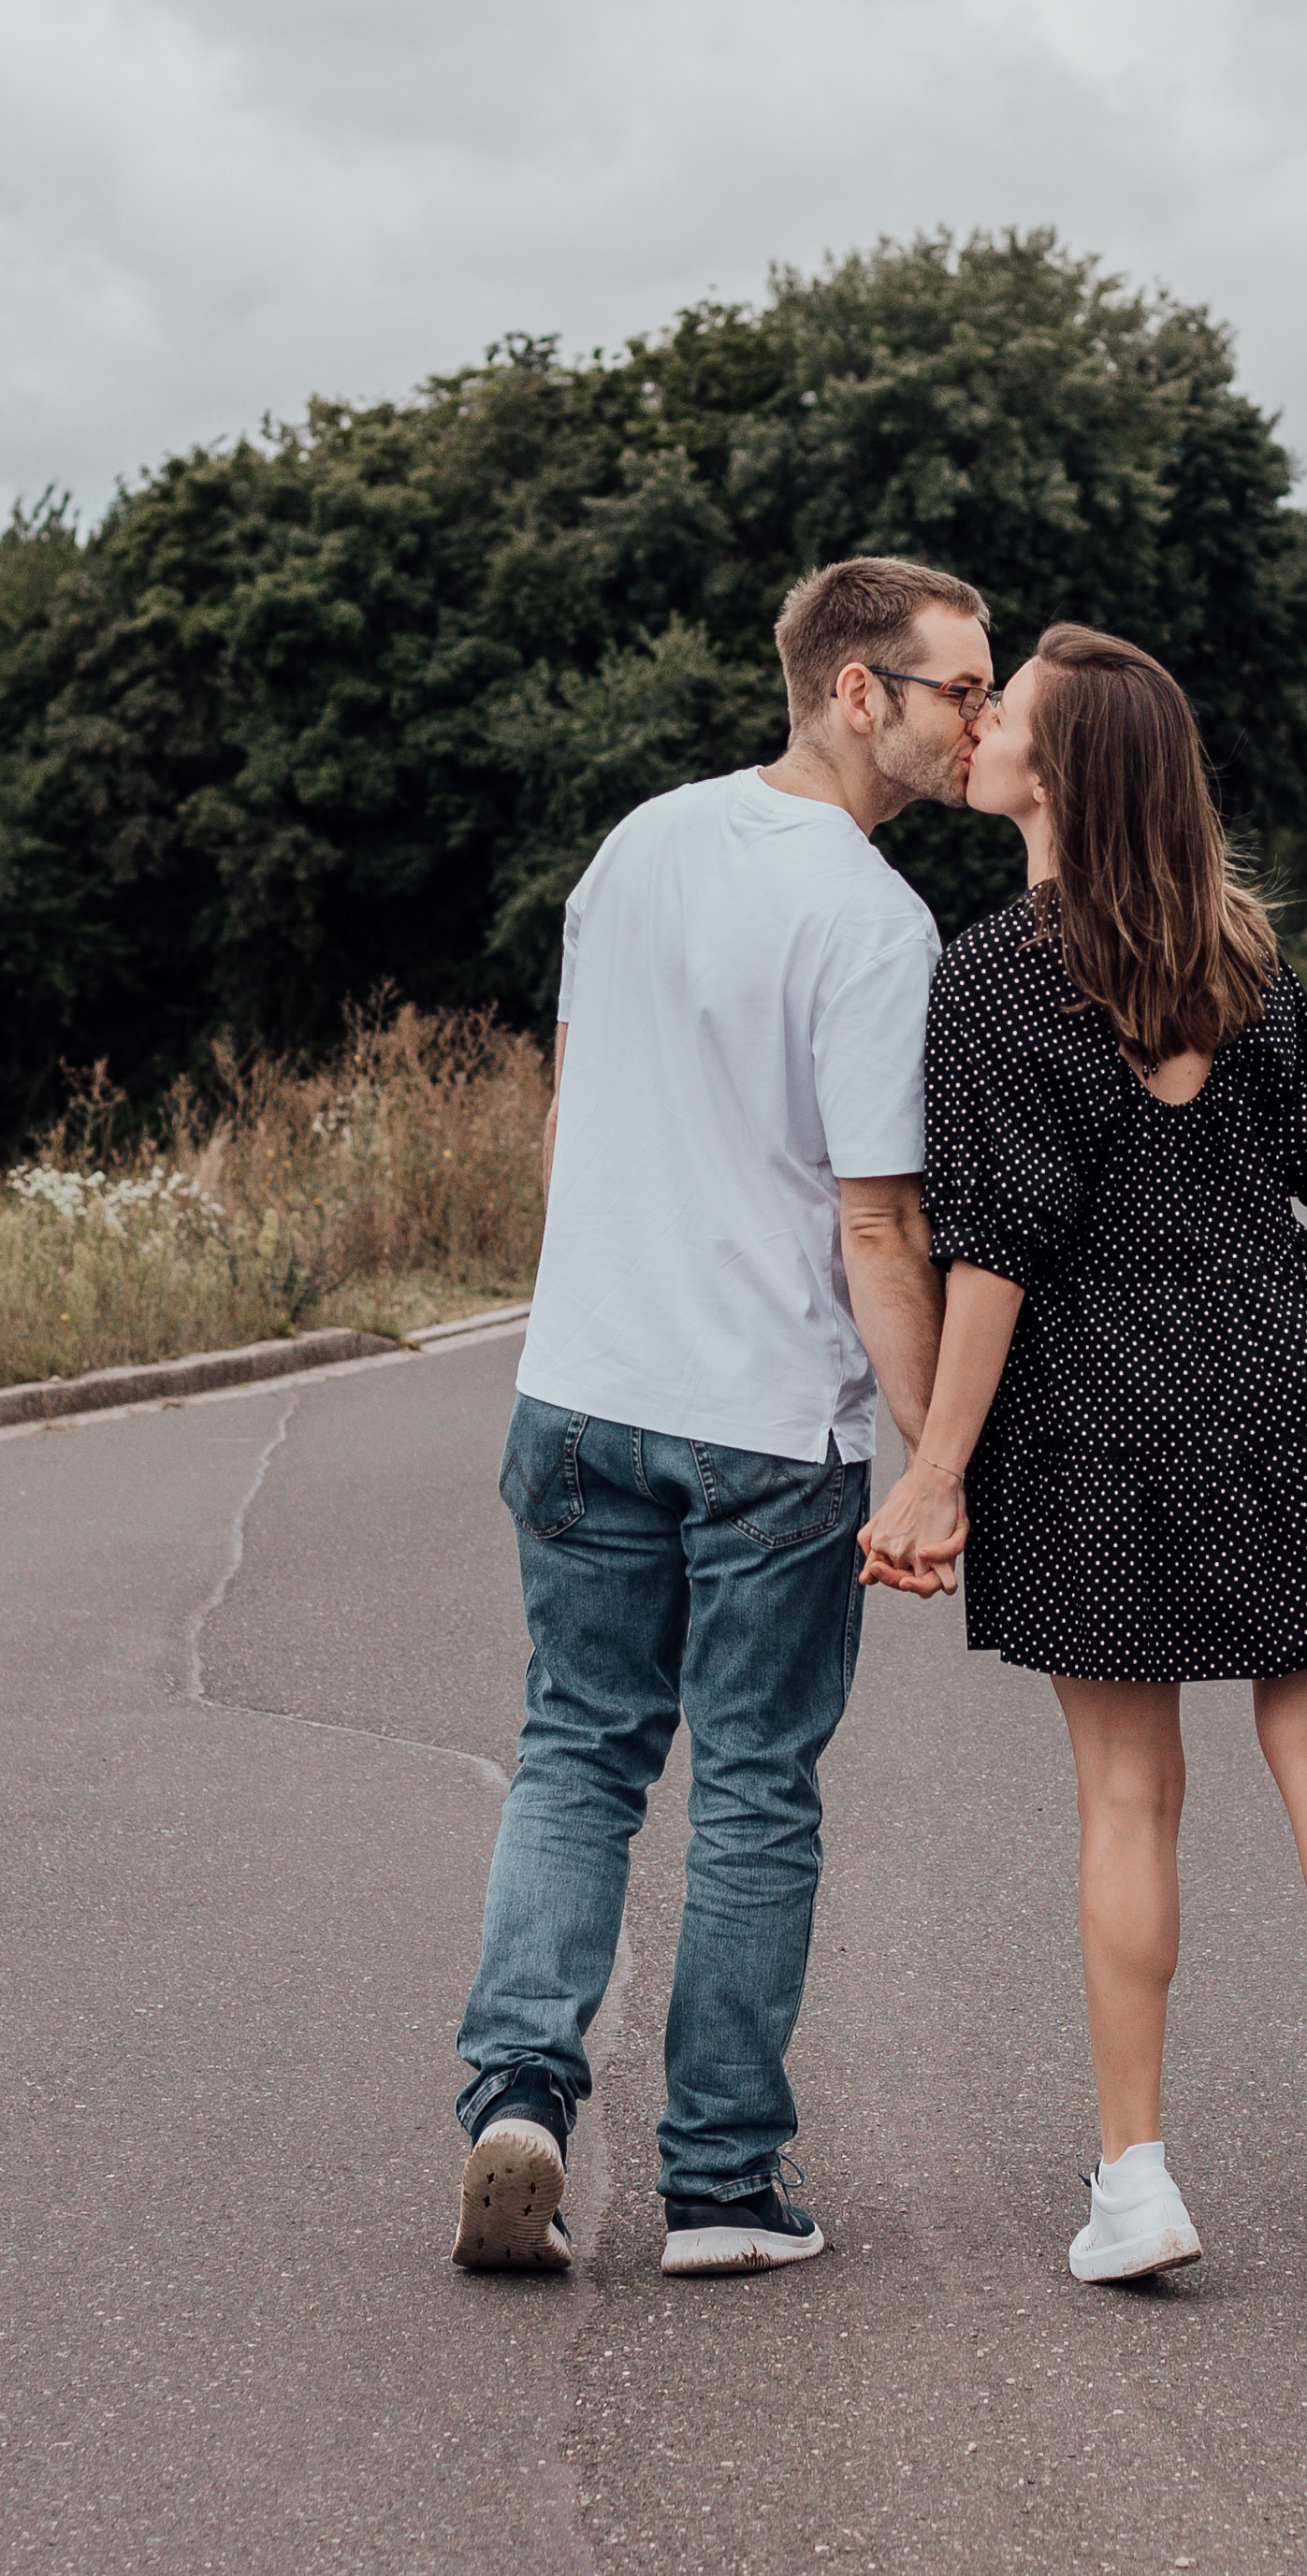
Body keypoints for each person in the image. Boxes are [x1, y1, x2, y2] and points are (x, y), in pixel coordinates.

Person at [859, 625, 1307, 2308]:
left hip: (1098, 1413)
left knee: (1125, 1794)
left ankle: (1139, 2178)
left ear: (1061, 768)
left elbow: (997, 1253)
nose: (978, 724)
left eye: (1001, 709)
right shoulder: (1236, 952)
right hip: (1289, 1374)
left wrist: (936, 1466)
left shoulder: (991, 975)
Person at [451, 557, 992, 2279]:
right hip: (768, 1425)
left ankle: (519, 2101)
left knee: (577, 1749)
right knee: (753, 1785)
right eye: (956, 688)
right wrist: (931, 1460)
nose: (978, 718)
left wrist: (576, 1318)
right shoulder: (872, 920)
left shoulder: (636, 843)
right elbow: (878, 1223)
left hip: (582, 1389)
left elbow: (574, 1108)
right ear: (857, 690)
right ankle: (723, 2184)